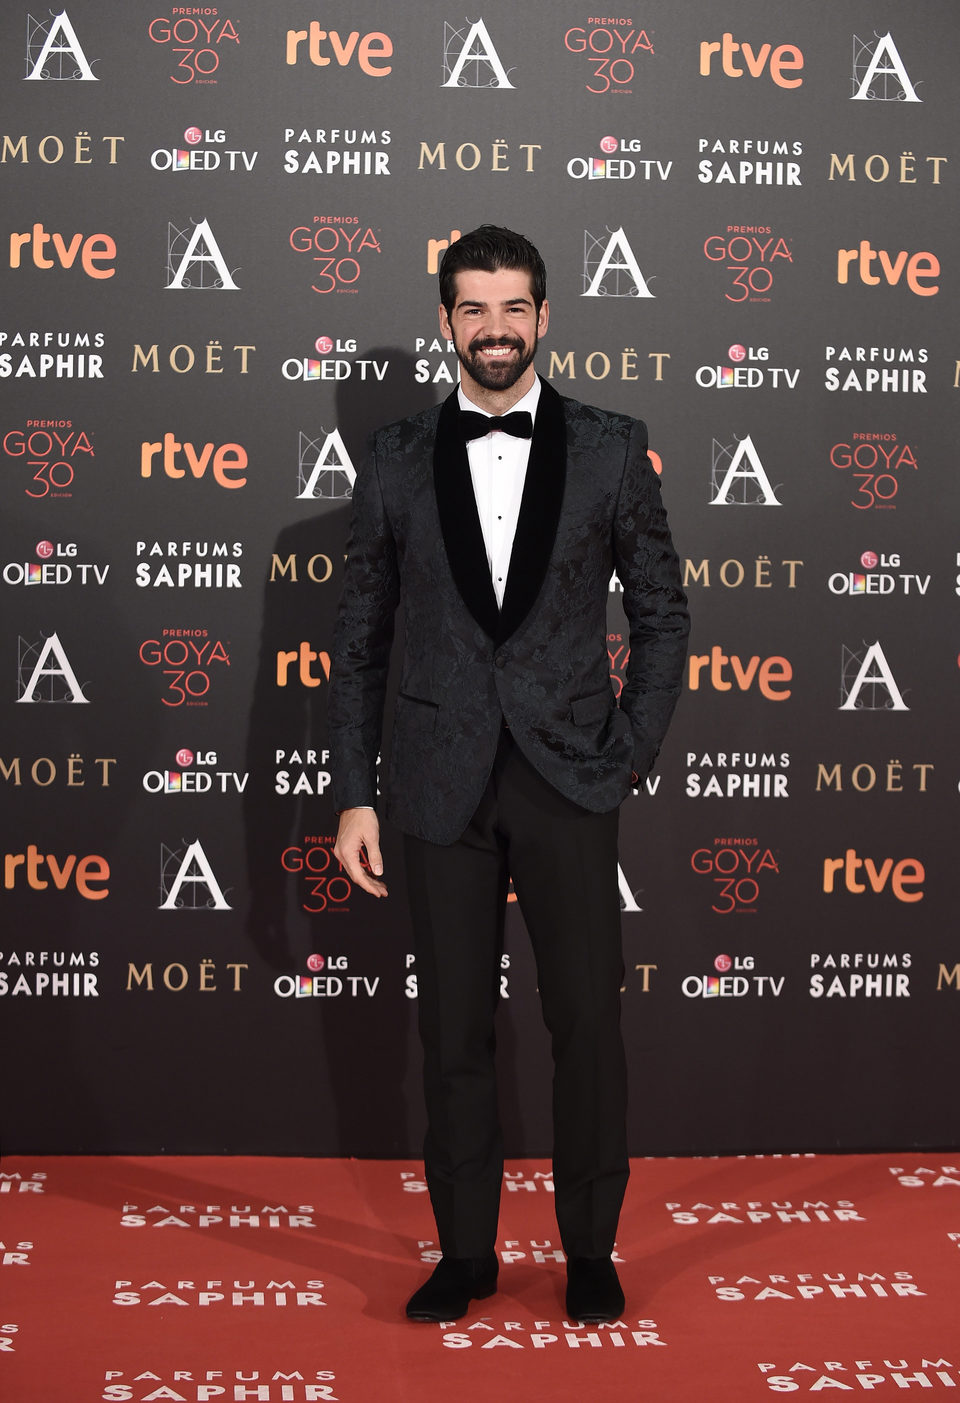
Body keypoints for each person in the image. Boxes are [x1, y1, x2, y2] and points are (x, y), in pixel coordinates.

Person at [329, 225, 689, 1324]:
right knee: (453, 1031)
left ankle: (589, 1248)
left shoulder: (614, 445)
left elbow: (663, 612)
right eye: (473, 309)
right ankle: (466, 1252)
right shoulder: (391, 458)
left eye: (514, 307)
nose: (495, 329)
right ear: (446, 320)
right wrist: (355, 787)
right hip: (437, 782)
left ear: (546, 316)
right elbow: (360, 638)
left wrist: (626, 749)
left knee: (587, 1020)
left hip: (572, 776)